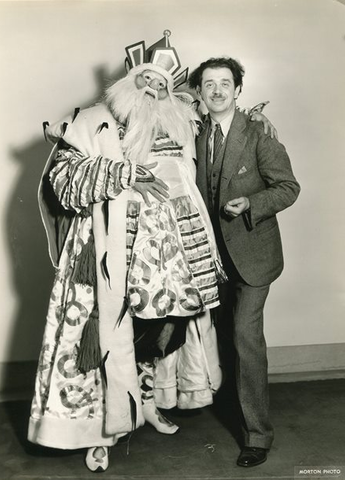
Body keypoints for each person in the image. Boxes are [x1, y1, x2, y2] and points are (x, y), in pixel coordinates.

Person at [28, 32, 276, 473]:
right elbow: (62, 179)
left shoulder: (181, 126)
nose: (153, 90)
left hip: (174, 256)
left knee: (169, 327)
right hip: (111, 253)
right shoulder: (94, 119)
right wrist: (124, 173)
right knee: (106, 334)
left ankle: (143, 400)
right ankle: (101, 432)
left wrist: (254, 121)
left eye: (161, 85)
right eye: (144, 81)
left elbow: (219, 137)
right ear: (127, 84)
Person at [188, 57, 300, 468]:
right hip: (210, 258)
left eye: (225, 83)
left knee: (244, 336)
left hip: (254, 257)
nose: (217, 90)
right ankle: (218, 404)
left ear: (238, 90)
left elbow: (288, 188)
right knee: (216, 336)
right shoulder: (192, 134)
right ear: (198, 92)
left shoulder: (259, 135)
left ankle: (257, 436)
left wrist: (251, 203)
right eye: (208, 84)